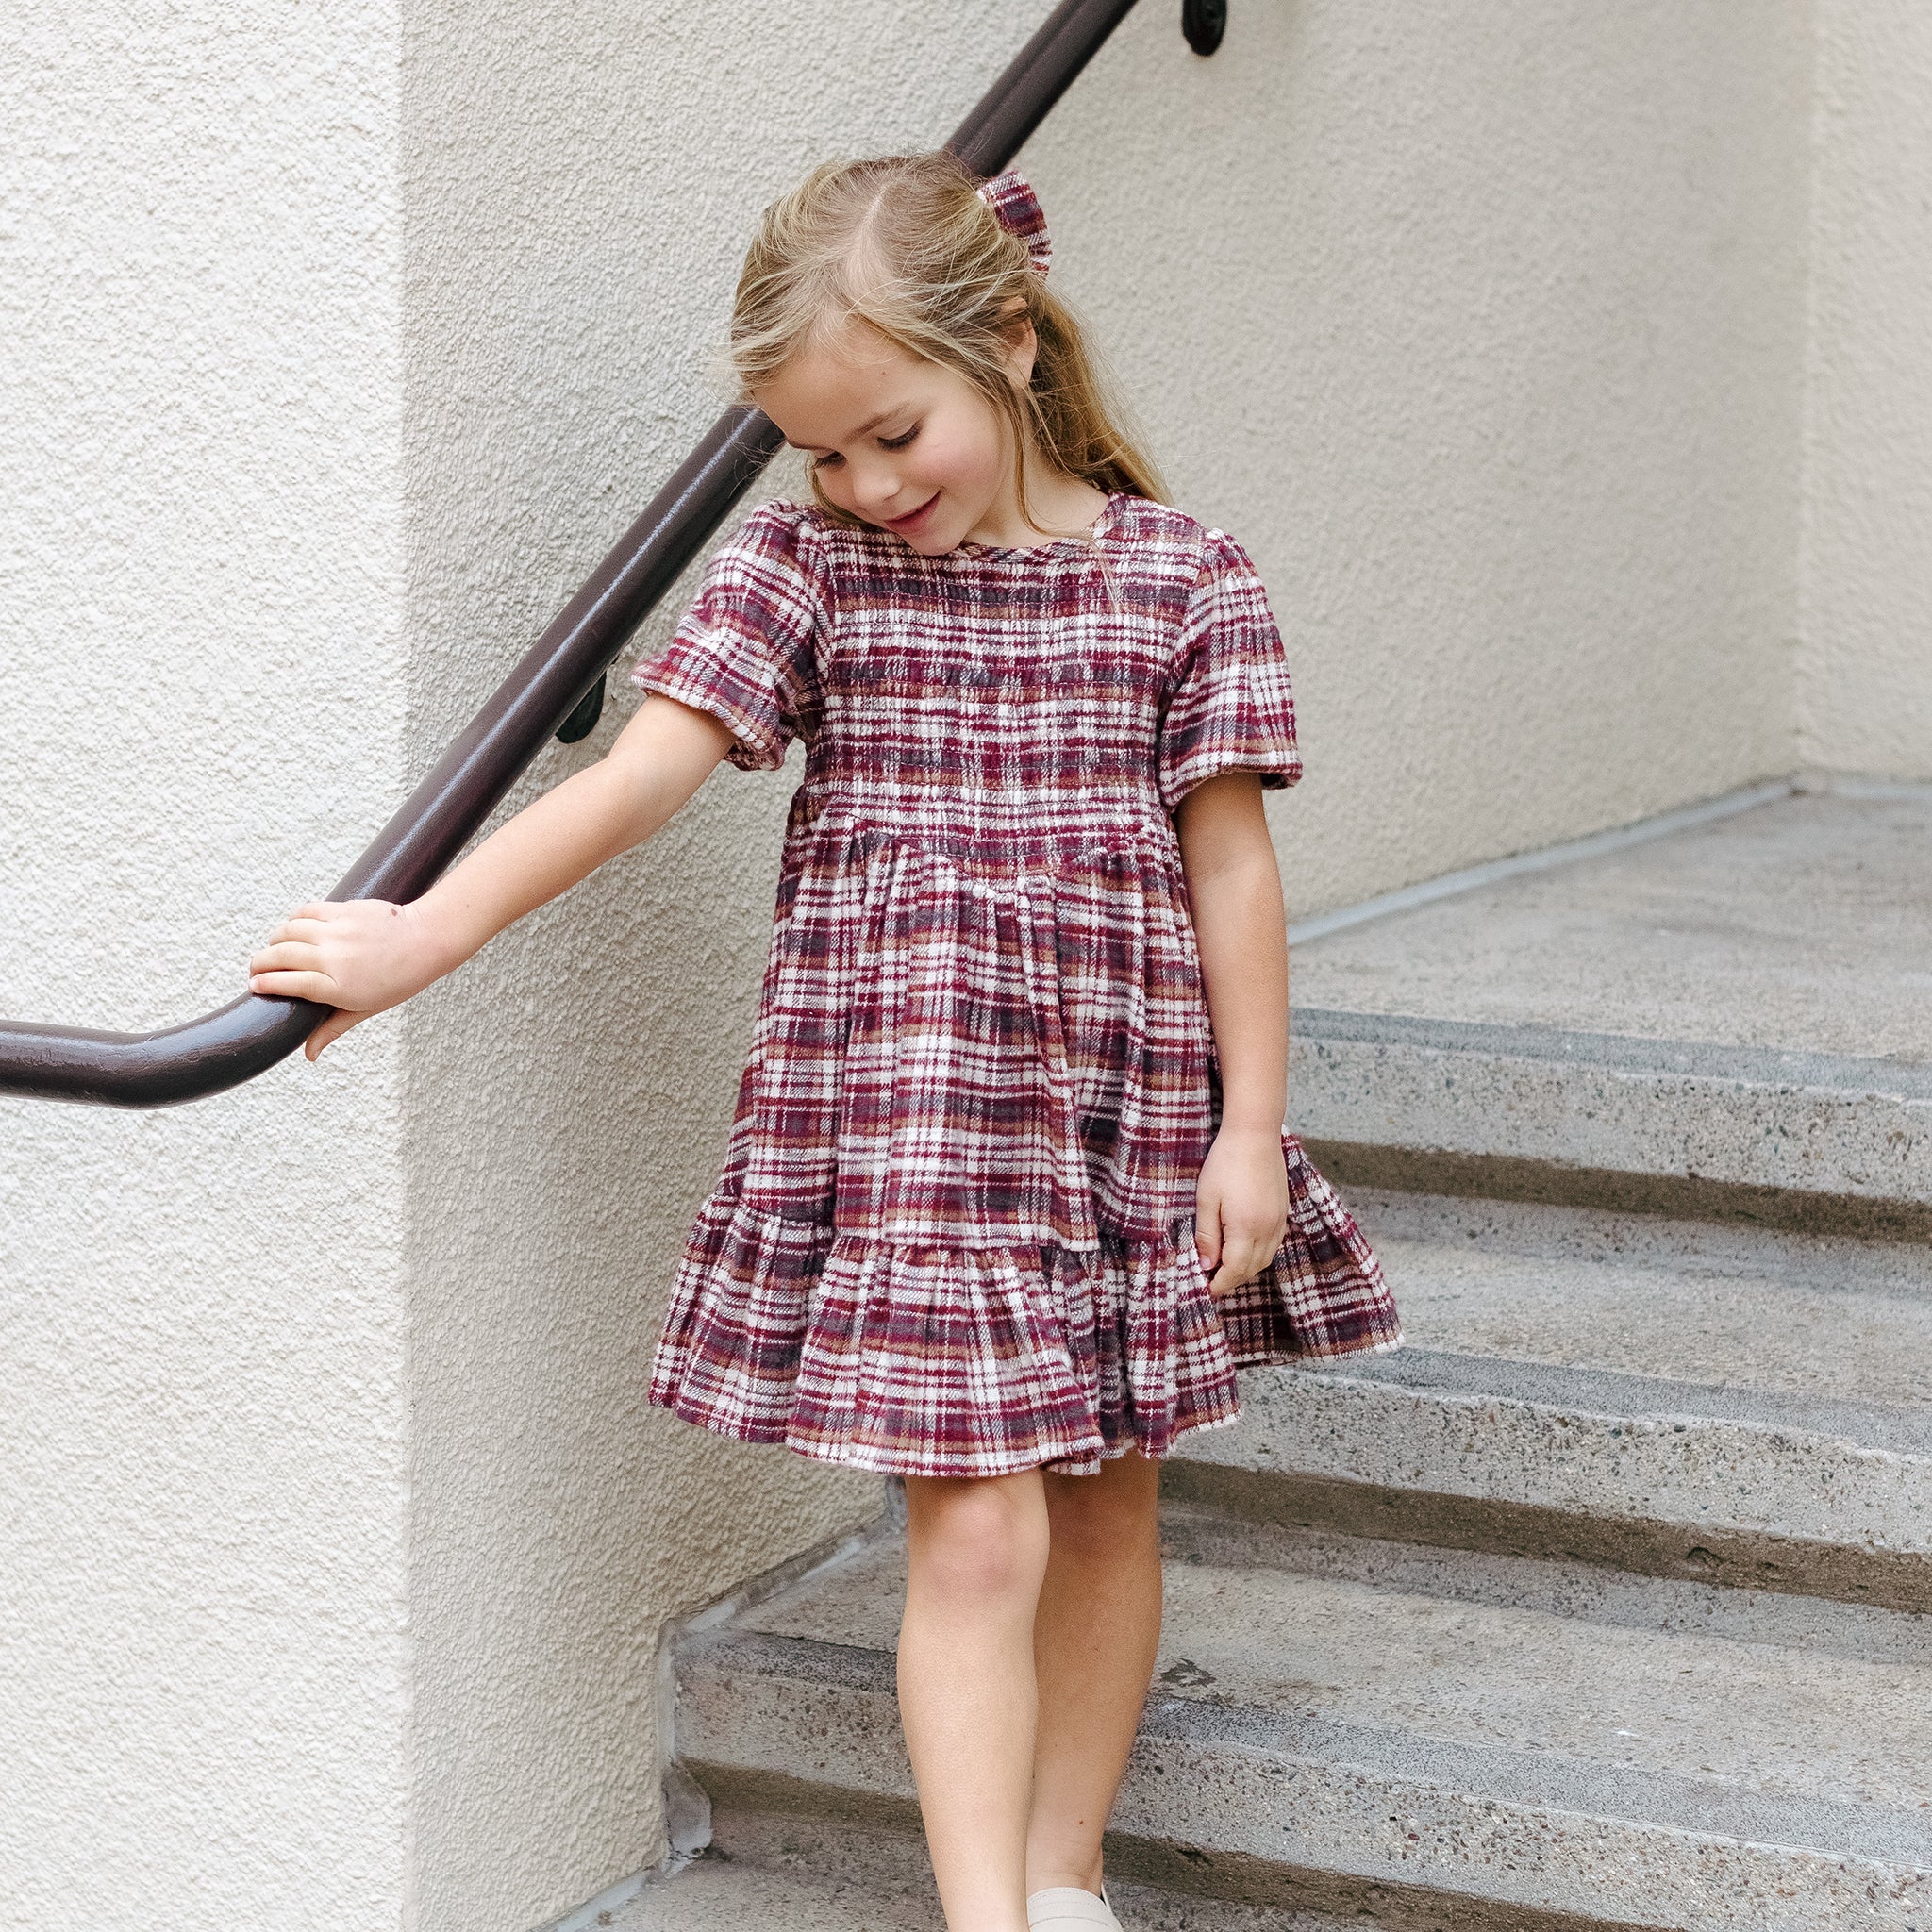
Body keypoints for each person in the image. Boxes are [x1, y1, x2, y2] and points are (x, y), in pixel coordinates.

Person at [247, 153, 1401, 1932]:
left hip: (1122, 1112)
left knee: (1105, 1508)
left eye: (891, 432)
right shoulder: (812, 568)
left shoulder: (1180, 577)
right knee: (982, 1528)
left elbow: (1230, 868)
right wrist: (430, 931)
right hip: (922, 1120)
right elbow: (642, 772)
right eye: (824, 452)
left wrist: (1252, 1125)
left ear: (1007, 344)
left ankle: (1063, 1867)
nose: (863, 484)